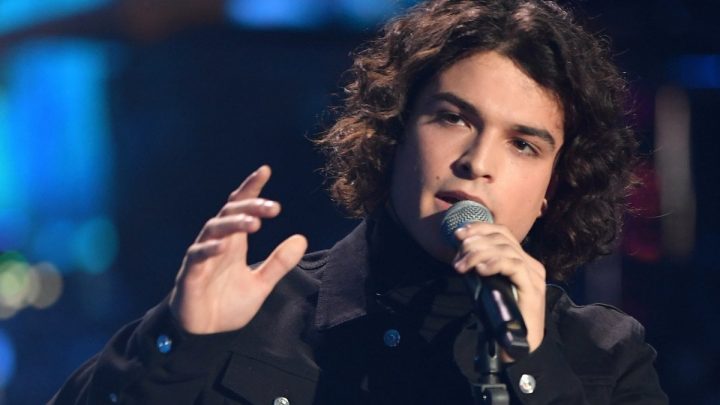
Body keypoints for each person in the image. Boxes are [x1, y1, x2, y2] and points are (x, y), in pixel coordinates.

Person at [50, 0, 668, 403]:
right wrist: (179, 342)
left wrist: (529, 368)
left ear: (553, 189)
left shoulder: (604, 357)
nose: (477, 162)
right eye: (453, 118)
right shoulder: (256, 315)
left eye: (523, 145)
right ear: (393, 132)